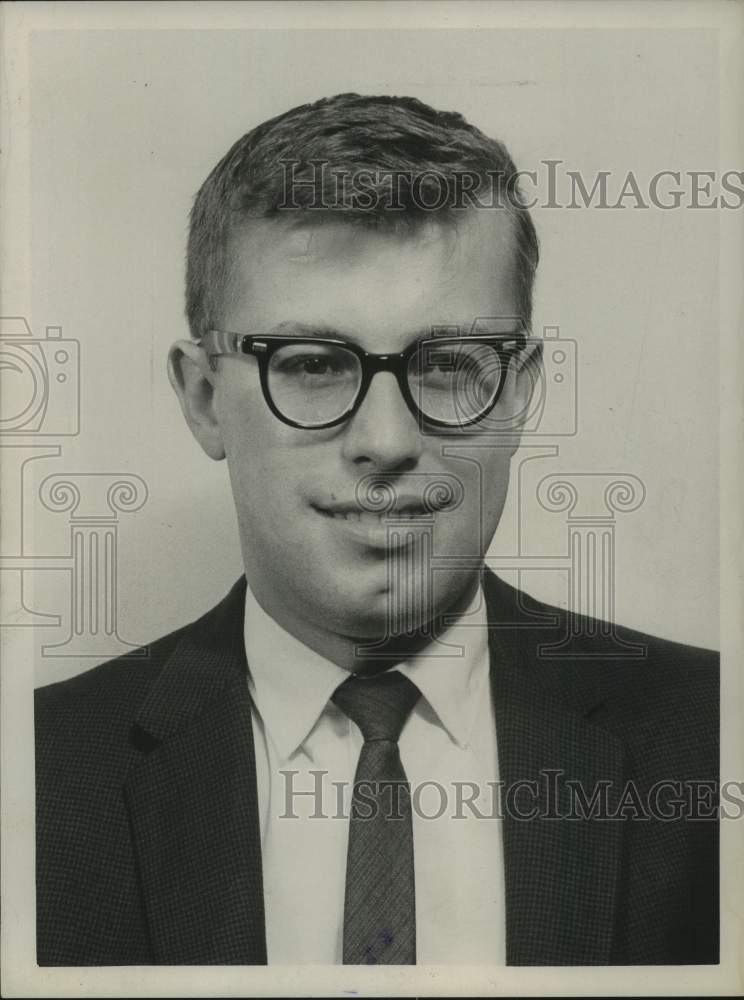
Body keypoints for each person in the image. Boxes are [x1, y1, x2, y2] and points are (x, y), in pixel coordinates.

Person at [35, 93, 719, 967]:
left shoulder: (708, 737)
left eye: (445, 366)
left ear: (519, 392)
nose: (387, 443)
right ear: (204, 397)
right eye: (313, 365)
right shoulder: (39, 779)